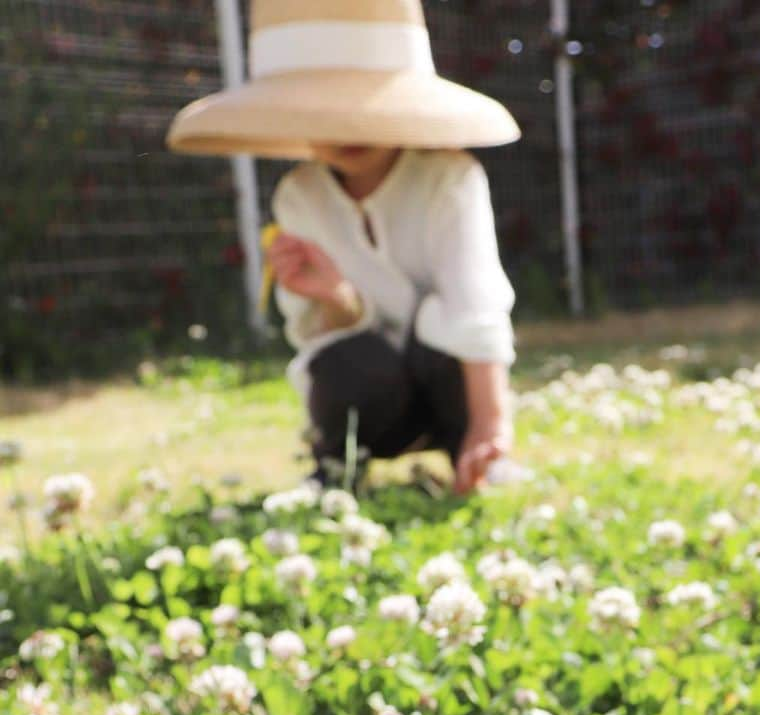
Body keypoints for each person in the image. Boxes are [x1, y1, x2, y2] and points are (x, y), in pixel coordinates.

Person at [165, 0, 522, 494]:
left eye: (364, 107)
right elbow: (330, 337)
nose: (348, 130)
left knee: (442, 323)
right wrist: (336, 297)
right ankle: (337, 465)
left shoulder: (451, 178)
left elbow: (474, 306)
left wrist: (489, 425)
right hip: (375, 405)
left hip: (446, 388)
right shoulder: (300, 195)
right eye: (324, 109)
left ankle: (474, 452)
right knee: (343, 362)